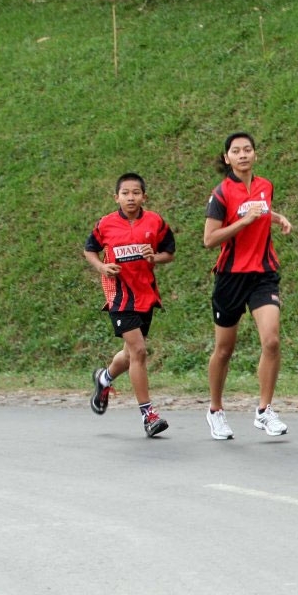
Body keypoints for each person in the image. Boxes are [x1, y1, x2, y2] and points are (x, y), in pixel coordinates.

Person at [203, 132, 293, 440]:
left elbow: (260, 209)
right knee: (224, 349)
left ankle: (264, 410)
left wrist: (277, 218)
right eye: (236, 151)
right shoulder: (221, 194)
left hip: (263, 274)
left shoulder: (265, 186)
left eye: (247, 150)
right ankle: (215, 411)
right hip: (230, 277)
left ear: (255, 154)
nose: (243, 155)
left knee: (272, 341)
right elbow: (209, 239)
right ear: (227, 158)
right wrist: (243, 222)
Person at [84, 172, 176, 437]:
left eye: (136, 193)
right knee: (139, 351)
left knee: (129, 355)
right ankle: (149, 416)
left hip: (145, 295)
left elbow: (169, 253)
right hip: (119, 296)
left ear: (144, 196)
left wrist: (154, 257)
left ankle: (104, 379)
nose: (131, 197)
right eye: (125, 193)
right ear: (117, 197)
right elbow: (90, 250)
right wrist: (102, 267)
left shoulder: (155, 222)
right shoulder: (105, 224)